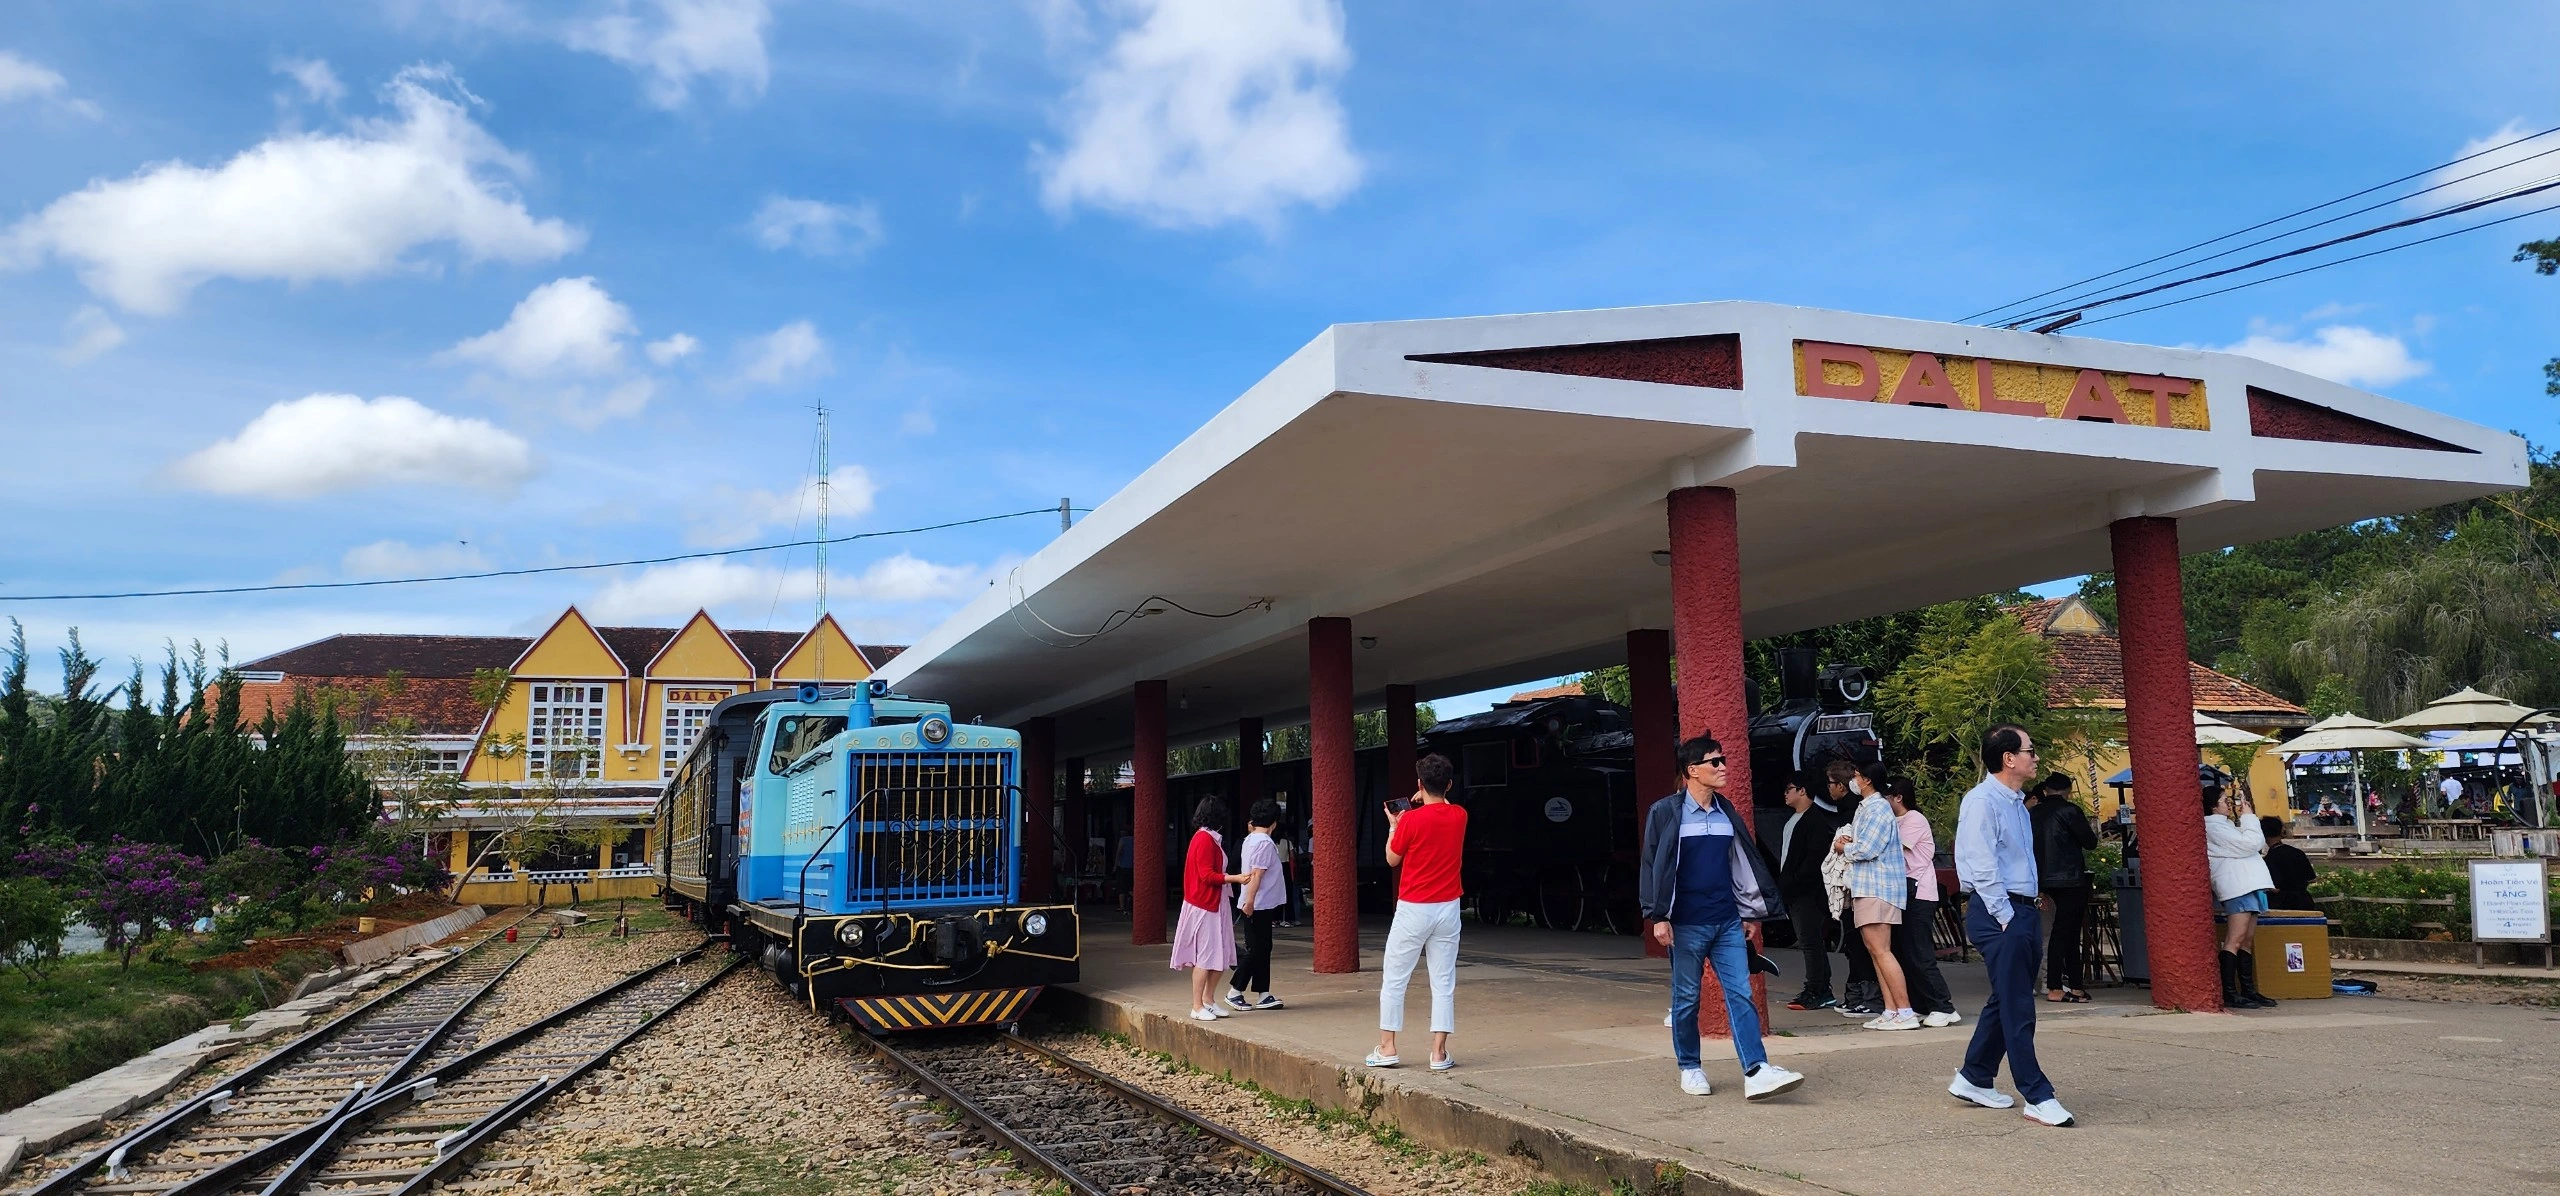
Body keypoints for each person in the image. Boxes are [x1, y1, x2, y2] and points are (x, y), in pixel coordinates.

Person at [1639, 735, 1806, 1101]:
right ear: (1691, 770)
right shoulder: (1666, 812)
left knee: (1741, 994)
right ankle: (1690, 1066)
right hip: (1684, 924)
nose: (1722, 767)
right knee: (1686, 999)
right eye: (1714, 762)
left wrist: (1749, 911)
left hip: (1727, 921)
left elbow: (1740, 864)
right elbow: (1652, 865)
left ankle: (1756, 1070)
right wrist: (1658, 915)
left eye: (1723, 760)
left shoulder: (1725, 810)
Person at [1949, 724, 2074, 1128]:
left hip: (2020, 909)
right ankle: (2037, 1094)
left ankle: (1974, 1076)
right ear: (2008, 758)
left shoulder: (2017, 803)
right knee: (2018, 1004)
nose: (2035, 757)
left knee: (2006, 998)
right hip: (1998, 911)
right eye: (2029, 750)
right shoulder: (1982, 801)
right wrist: (2005, 915)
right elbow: (1981, 864)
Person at [1371, 753, 1468, 1071]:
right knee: (1443, 981)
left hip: (1414, 908)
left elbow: (1392, 860)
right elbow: (1443, 804)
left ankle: (1388, 1048)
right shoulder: (1460, 816)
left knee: (1395, 978)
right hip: (1448, 908)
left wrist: (1393, 827)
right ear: (1449, 784)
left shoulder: (1409, 820)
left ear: (1418, 785)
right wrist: (1431, 794)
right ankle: (1438, 1054)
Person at [1832, 762, 1915, 1030]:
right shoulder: (1867, 807)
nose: (1853, 780)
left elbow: (1868, 848)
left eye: (1855, 776)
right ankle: (1891, 1010)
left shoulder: (1878, 808)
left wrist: (1843, 847)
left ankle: (1905, 1011)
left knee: (1881, 951)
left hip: (1878, 887)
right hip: (1867, 887)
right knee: (1875, 951)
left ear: (1866, 780)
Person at [1884, 775, 1958, 1027]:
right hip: (1904, 892)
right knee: (1905, 952)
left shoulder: (1914, 819)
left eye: (1886, 796)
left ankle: (1943, 1005)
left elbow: (1895, 847)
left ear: (1898, 797)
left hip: (1919, 892)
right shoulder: (1894, 820)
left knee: (1920, 953)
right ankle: (1923, 1004)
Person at [1171, 798, 1252, 1022]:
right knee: (1206, 956)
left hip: (1216, 903)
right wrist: (1235, 878)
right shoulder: (1205, 840)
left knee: (1222, 953)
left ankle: (1208, 1000)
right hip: (1205, 905)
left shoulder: (1207, 838)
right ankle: (1197, 1005)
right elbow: (1207, 875)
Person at [1774, 770, 1846, 1010]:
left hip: (1808, 892)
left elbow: (1813, 861)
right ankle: (1820, 988)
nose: (1785, 794)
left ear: (1802, 791)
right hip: (1794, 890)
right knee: (1808, 941)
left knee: (1810, 941)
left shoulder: (1814, 820)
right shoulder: (1792, 820)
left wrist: (1793, 883)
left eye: (1789, 789)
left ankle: (1817, 989)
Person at [2205, 779, 2278, 1010]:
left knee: (2246, 940)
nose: (2229, 805)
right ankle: (2230, 991)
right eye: (2224, 801)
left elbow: (2248, 844)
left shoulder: (2225, 826)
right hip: (2237, 886)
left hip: (2249, 884)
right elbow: (2252, 843)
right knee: (2234, 940)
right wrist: (2248, 817)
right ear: (2213, 807)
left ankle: (2248, 989)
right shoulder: (2213, 827)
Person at [2030, 774, 2098, 1004]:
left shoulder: (2032, 813)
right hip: (2069, 879)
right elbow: (2090, 842)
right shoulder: (2070, 811)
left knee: (2057, 932)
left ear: (2046, 790)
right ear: (2068, 790)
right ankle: (2056, 986)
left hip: (2041, 881)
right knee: (2065, 933)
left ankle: (2076, 985)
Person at [1825, 759, 1883, 1018]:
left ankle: (1872, 998)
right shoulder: (1857, 809)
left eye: (1831, 783)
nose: (1829, 789)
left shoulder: (1869, 809)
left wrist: (1842, 847)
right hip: (1856, 885)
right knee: (1857, 943)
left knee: (1866, 945)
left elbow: (1863, 849)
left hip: (1864, 887)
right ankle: (1859, 995)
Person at [1226, 800, 1289, 1011]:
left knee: (1263, 947)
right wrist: (1250, 901)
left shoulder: (1251, 839)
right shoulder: (1263, 842)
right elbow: (1257, 874)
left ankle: (1264, 993)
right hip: (1258, 903)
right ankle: (1235, 991)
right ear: (1274, 822)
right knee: (1258, 949)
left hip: (1258, 902)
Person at [2263, 815, 2316, 912]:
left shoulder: (2268, 859)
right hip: (2304, 902)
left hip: (2280, 905)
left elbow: (2272, 887)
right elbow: (2311, 878)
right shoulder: (2298, 853)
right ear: (2280, 831)